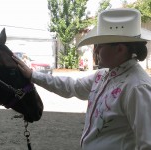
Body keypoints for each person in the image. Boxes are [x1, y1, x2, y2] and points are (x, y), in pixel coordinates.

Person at [12, 8, 151, 150]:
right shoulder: (103, 75)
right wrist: (33, 75)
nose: (95, 50)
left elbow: (148, 143)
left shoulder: (138, 87)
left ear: (120, 49)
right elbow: (71, 86)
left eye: (99, 45)